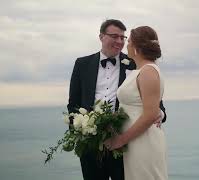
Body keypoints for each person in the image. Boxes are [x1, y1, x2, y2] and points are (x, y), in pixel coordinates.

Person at [67, 19, 167, 180]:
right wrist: (80, 135)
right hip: (91, 145)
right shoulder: (82, 64)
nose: (120, 41)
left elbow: (155, 102)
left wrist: (159, 114)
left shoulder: (136, 64)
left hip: (125, 144)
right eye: (115, 36)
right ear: (101, 37)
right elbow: (73, 104)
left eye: (123, 38)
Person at [104, 26, 168, 180]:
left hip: (144, 141)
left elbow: (150, 114)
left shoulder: (148, 71)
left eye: (129, 41)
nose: (127, 45)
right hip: (135, 141)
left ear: (138, 47)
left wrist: (120, 140)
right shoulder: (140, 70)